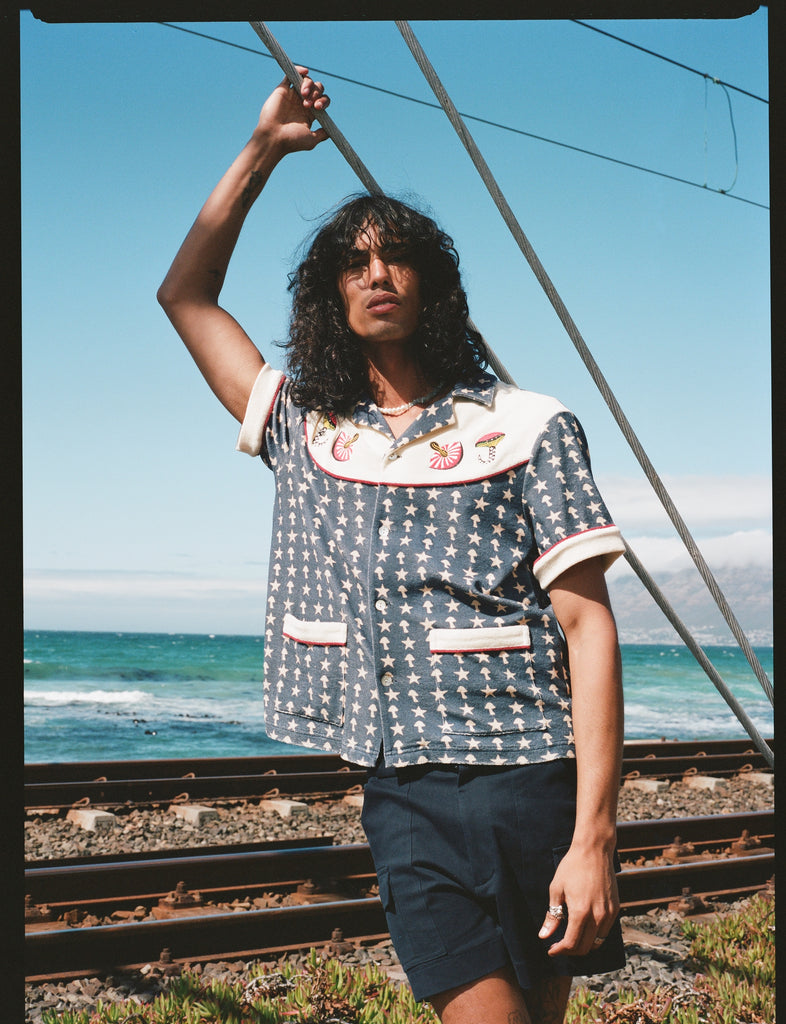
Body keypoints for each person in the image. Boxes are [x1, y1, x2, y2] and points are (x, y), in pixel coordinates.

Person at [158, 70, 627, 1024]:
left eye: (399, 258)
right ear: (332, 292)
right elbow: (186, 296)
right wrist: (263, 150)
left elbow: (587, 627)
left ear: (434, 285)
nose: (378, 274)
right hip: (401, 793)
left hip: (532, 779)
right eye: (357, 262)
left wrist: (594, 837)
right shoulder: (308, 427)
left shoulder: (529, 425)